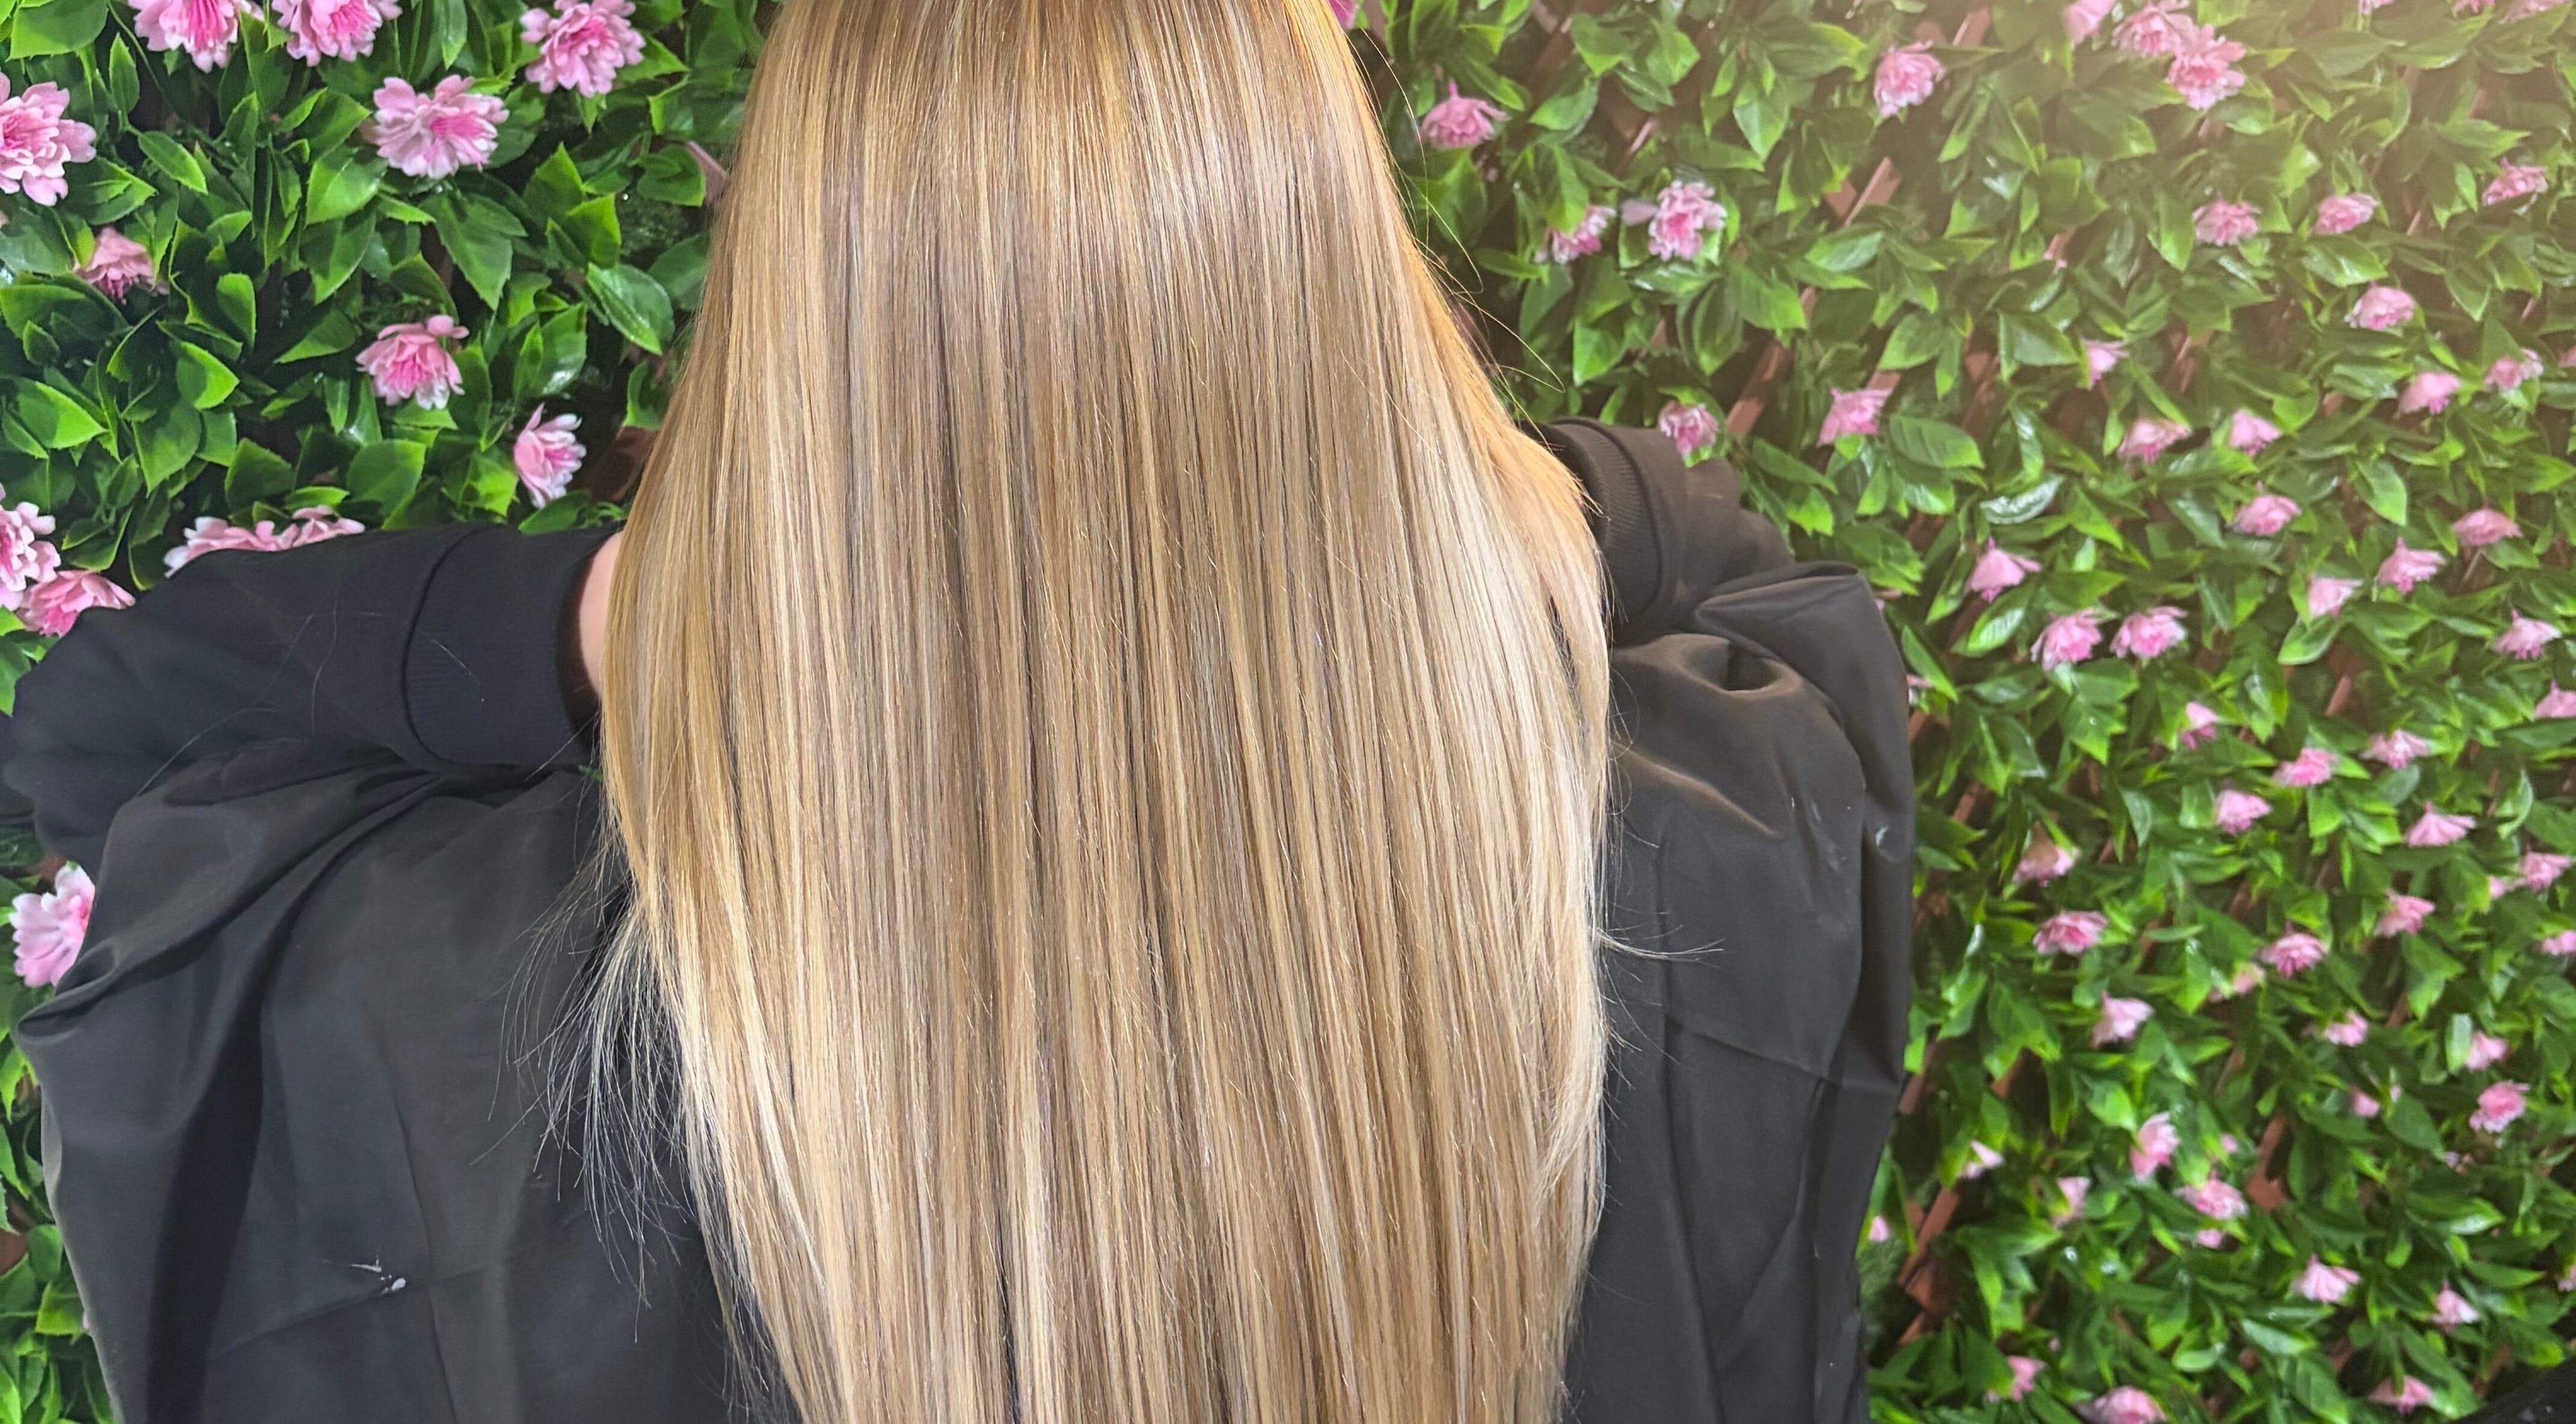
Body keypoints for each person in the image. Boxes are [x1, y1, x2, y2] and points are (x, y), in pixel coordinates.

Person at [0, 1, 1911, 1420]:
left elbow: (103, 738)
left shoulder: (465, 1008)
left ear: (797, 332)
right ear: (1344, 287)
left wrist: (615, 611)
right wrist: (1394, 524)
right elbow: (1729, 557)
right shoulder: (1702, 868)